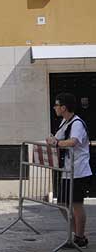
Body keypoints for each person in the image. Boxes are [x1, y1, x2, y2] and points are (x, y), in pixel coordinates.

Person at [46, 93, 92, 249]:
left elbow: (72, 142)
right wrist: (52, 140)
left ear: (63, 107)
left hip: (78, 171)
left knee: (77, 204)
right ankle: (76, 235)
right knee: (62, 203)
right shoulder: (65, 122)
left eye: (56, 105)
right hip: (67, 171)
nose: (54, 108)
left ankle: (80, 238)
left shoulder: (77, 123)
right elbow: (56, 139)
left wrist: (57, 143)